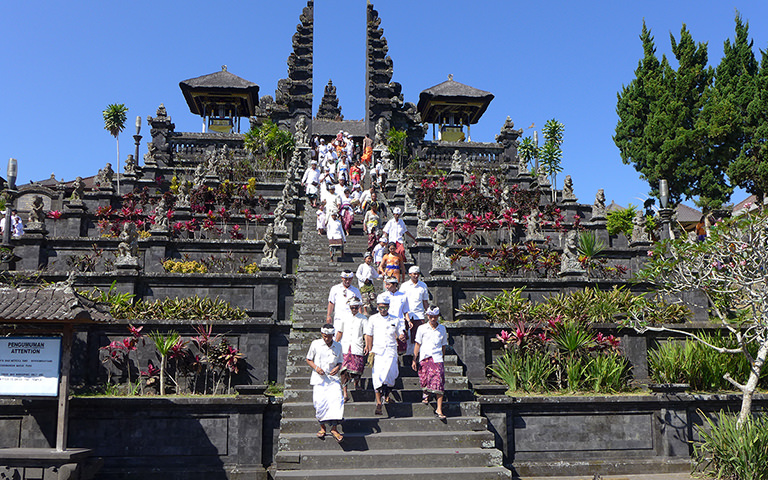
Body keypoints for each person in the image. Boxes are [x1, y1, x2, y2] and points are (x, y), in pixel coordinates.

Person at [364, 294, 406, 415]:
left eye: (385, 308)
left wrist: (401, 336)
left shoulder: (395, 319)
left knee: (392, 376)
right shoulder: (373, 319)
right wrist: (369, 348)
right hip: (378, 351)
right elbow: (369, 335)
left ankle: (386, 396)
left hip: (391, 351)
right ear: (377, 307)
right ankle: (378, 403)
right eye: (381, 307)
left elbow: (399, 333)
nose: (383, 310)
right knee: (378, 377)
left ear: (388, 307)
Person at [306, 323, 345, 442]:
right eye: (324, 336)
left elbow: (340, 361)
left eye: (328, 336)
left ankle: (334, 428)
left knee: (337, 401)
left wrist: (337, 368)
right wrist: (316, 368)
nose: (326, 338)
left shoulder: (338, 346)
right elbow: (308, 359)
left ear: (333, 335)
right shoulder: (315, 344)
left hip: (333, 380)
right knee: (319, 403)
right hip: (319, 379)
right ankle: (322, 428)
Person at [411, 306, 449, 420]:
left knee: (439, 382)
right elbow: (417, 344)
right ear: (427, 316)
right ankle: (426, 393)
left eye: (435, 317)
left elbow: (443, 346)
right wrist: (414, 359)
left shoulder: (442, 329)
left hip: (437, 358)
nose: (432, 319)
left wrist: (442, 357)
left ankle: (439, 408)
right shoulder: (422, 328)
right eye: (430, 316)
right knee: (425, 379)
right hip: (425, 357)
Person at [335, 297, 369, 400]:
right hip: (345, 347)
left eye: (355, 307)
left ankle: (356, 383)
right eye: (352, 307)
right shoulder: (344, 317)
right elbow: (340, 332)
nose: (354, 309)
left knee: (357, 368)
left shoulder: (363, 318)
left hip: (356, 346)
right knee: (344, 370)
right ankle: (345, 393)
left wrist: (367, 345)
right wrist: (335, 344)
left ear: (358, 307)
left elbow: (366, 333)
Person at [399, 265, 430, 354]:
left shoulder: (423, 285)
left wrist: (428, 313)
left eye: (417, 274)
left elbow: (425, 301)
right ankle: (407, 354)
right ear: (409, 274)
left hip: (419, 313)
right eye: (414, 274)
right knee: (407, 335)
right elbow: (401, 301)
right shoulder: (404, 286)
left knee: (418, 335)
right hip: (407, 313)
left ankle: (416, 354)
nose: (416, 276)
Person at [381, 276, 410, 354]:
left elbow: (405, 310)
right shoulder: (382, 296)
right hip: (387, 322)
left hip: (399, 322)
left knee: (400, 348)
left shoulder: (403, 296)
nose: (386, 286)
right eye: (386, 284)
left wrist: (409, 321)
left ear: (395, 285)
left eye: (389, 284)